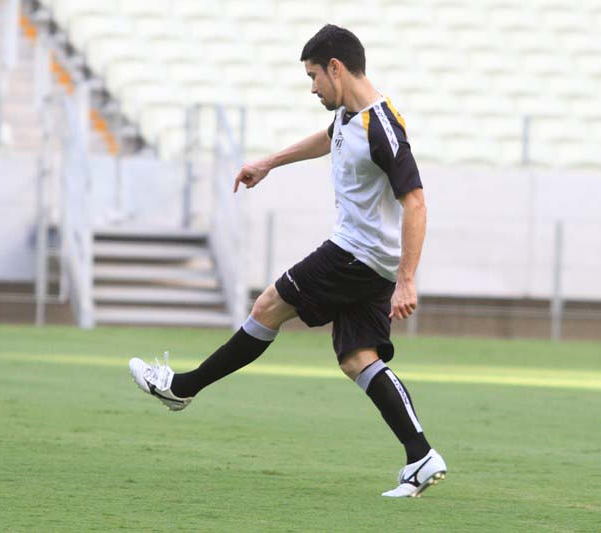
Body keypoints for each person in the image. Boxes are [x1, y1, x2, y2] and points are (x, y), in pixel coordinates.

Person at [129, 24, 447, 498]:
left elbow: (416, 202)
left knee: (267, 307)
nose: (313, 87)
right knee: (359, 359)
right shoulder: (348, 117)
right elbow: (326, 139)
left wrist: (407, 280)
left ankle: (184, 387)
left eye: (315, 76)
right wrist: (270, 162)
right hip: (368, 262)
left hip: (355, 256)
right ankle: (421, 456)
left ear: (336, 69)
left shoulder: (381, 126)